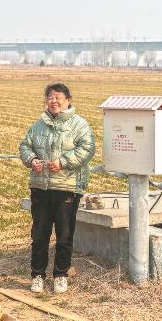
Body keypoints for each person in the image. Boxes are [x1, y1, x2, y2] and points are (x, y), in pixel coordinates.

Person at [19, 83, 95, 294]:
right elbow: (25, 146)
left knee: (64, 234)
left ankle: (61, 274)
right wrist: (31, 159)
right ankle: (37, 275)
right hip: (40, 187)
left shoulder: (79, 125)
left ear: (68, 100)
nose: (53, 101)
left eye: (58, 97)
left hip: (67, 187)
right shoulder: (38, 125)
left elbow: (87, 149)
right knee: (40, 234)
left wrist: (63, 162)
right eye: (50, 97)